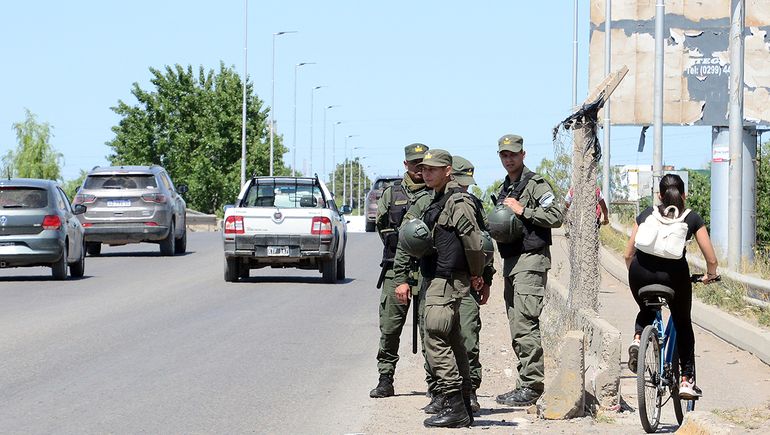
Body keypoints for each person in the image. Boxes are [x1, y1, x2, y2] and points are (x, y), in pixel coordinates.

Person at [395, 149, 485, 428]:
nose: (426, 173)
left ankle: (454, 404)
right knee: (453, 338)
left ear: (448, 170)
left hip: (447, 280)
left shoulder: (458, 201)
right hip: (437, 277)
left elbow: (473, 241)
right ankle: (464, 401)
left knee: (435, 336)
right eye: (424, 169)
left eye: (433, 169)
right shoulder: (437, 200)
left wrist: (476, 274)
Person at [623, 173, 718, 399]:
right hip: (674, 278)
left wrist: (636, 274)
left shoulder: (647, 214)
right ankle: (686, 380)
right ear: (684, 195)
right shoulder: (691, 217)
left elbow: (628, 253)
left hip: (639, 275)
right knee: (683, 322)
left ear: (659, 195)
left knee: (647, 308)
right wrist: (710, 275)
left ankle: (638, 338)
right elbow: (711, 259)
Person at [493, 134, 564, 407]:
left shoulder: (536, 184)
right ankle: (523, 383)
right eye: (503, 155)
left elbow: (556, 215)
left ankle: (532, 386)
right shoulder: (507, 187)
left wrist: (524, 211)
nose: (508, 159)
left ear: (523, 154)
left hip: (531, 261)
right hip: (512, 262)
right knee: (516, 325)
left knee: (525, 323)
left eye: (512, 154)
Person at [370, 143, 431, 398]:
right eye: (414, 163)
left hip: (429, 268)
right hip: (396, 267)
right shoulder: (391, 193)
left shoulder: (436, 192)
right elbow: (382, 226)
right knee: (390, 326)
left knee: (432, 327)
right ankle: (386, 378)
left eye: (423, 163)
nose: (419, 168)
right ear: (406, 164)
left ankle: (436, 382)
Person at [446, 156, 494, 414]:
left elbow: (485, 243)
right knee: (439, 338)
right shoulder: (434, 202)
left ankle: (470, 390)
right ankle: (442, 392)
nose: (464, 189)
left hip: (468, 280)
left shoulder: (474, 205)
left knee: (468, 338)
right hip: (440, 280)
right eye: (460, 183)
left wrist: (485, 278)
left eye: (467, 185)